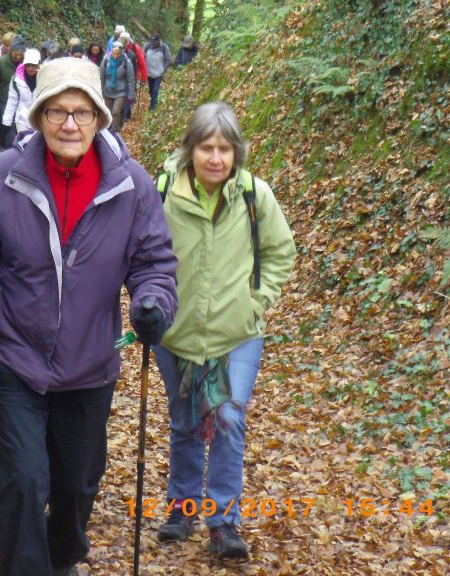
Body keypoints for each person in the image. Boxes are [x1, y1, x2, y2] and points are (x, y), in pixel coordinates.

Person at [0, 57, 178, 576]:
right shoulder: (5, 174)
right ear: (39, 116)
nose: (69, 124)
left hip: (89, 362)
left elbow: (154, 264)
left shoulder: (131, 185)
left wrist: (153, 304)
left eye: (81, 112)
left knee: (76, 486)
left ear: (99, 117)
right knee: (23, 481)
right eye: (56, 111)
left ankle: (59, 561)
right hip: (12, 354)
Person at [152, 101, 296, 558]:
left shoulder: (255, 195)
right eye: (206, 148)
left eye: (225, 149)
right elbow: (142, 253)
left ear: (237, 152)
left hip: (238, 334)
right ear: (190, 149)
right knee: (186, 422)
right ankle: (182, 509)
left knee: (229, 419)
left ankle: (223, 522)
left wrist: (258, 301)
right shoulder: (163, 193)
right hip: (176, 332)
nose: (216, 158)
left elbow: (281, 251)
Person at [0, 35, 26, 150]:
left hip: (21, 98)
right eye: (16, 54)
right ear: (11, 51)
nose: (18, 57)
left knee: (18, 123)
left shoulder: (26, 64)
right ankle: (3, 145)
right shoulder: (2, 62)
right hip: (3, 97)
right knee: (4, 122)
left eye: (20, 54)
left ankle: (16, 146)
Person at [1, 48, 41, 146]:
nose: (30, 68)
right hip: (22, 119)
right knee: (24, 146)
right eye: (28, 65)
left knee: (37, 147)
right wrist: (6, 122)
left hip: (39, 119)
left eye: (33, 65)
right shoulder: (16, 79)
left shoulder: (44, 78)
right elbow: (12, 100)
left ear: (38, 65)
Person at [100, 42, 135, 133]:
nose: (116, 56)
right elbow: (101, 77)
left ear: (122, 52)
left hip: (121, 92)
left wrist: (131, 95)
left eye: (118, 54)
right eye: (114, 53)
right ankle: (107, 131)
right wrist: (100, 90)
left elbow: (131, 79)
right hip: (107, 91)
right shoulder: (105, 60)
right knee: (107, 112)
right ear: (111, 51)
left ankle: (114, 131)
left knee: (115, 111)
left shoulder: (126, 62)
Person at [118, 32, 147, 122]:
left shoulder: (136, 49)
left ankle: (125, 116)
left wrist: (144, 78)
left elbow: (142, 63)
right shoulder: (116, 48)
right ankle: (125, 115)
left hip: (132, 76)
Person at [144, 34, 172, 112]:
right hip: (149, 73)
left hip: (158, 74)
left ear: (158, 41)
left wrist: (163, 69)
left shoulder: (164, 48)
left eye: (154, 42)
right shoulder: (148, 46)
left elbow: (168, 60)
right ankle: (155, 101)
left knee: (155, 90)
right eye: (152, 41)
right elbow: (142, 55)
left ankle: (152, 108)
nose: (152, 44)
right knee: (151, 91)